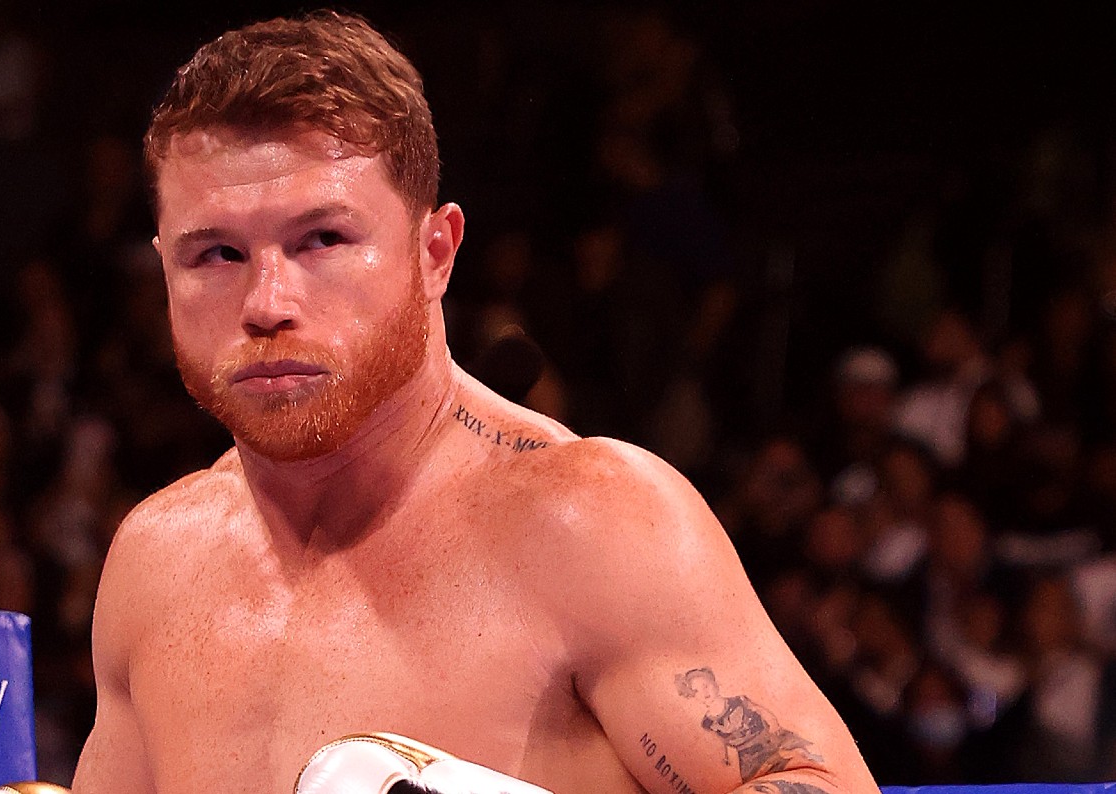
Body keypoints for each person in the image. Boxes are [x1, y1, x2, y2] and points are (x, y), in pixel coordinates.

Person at [73, 11, 879, 794]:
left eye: (322, 240)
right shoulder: (157, 561)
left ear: (435, 253)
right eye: (216, 253)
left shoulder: (590, 523)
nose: (266, 302)